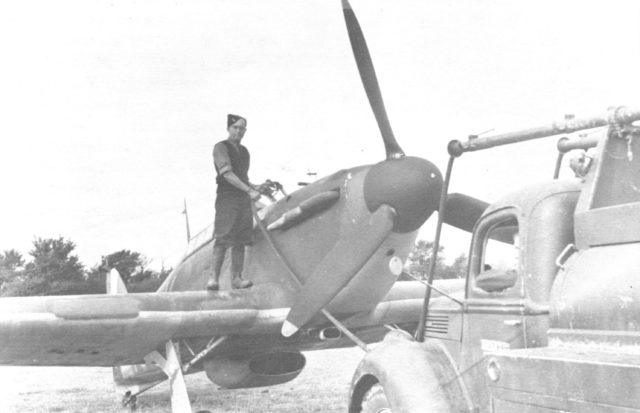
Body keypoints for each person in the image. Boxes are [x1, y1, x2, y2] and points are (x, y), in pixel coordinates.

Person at [206, 114, 264, 291]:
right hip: (227, 197)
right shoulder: (220, 147)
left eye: (242, 129)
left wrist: (257, 187)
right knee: (223, 237)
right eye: (235, 128)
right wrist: (249, 191)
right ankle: (213, 279)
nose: (239, 131)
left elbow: (243, 178)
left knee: (241, 239)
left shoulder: (244, 151)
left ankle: (237, 278)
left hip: (243, 198)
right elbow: (228, 175)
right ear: (229, 129)